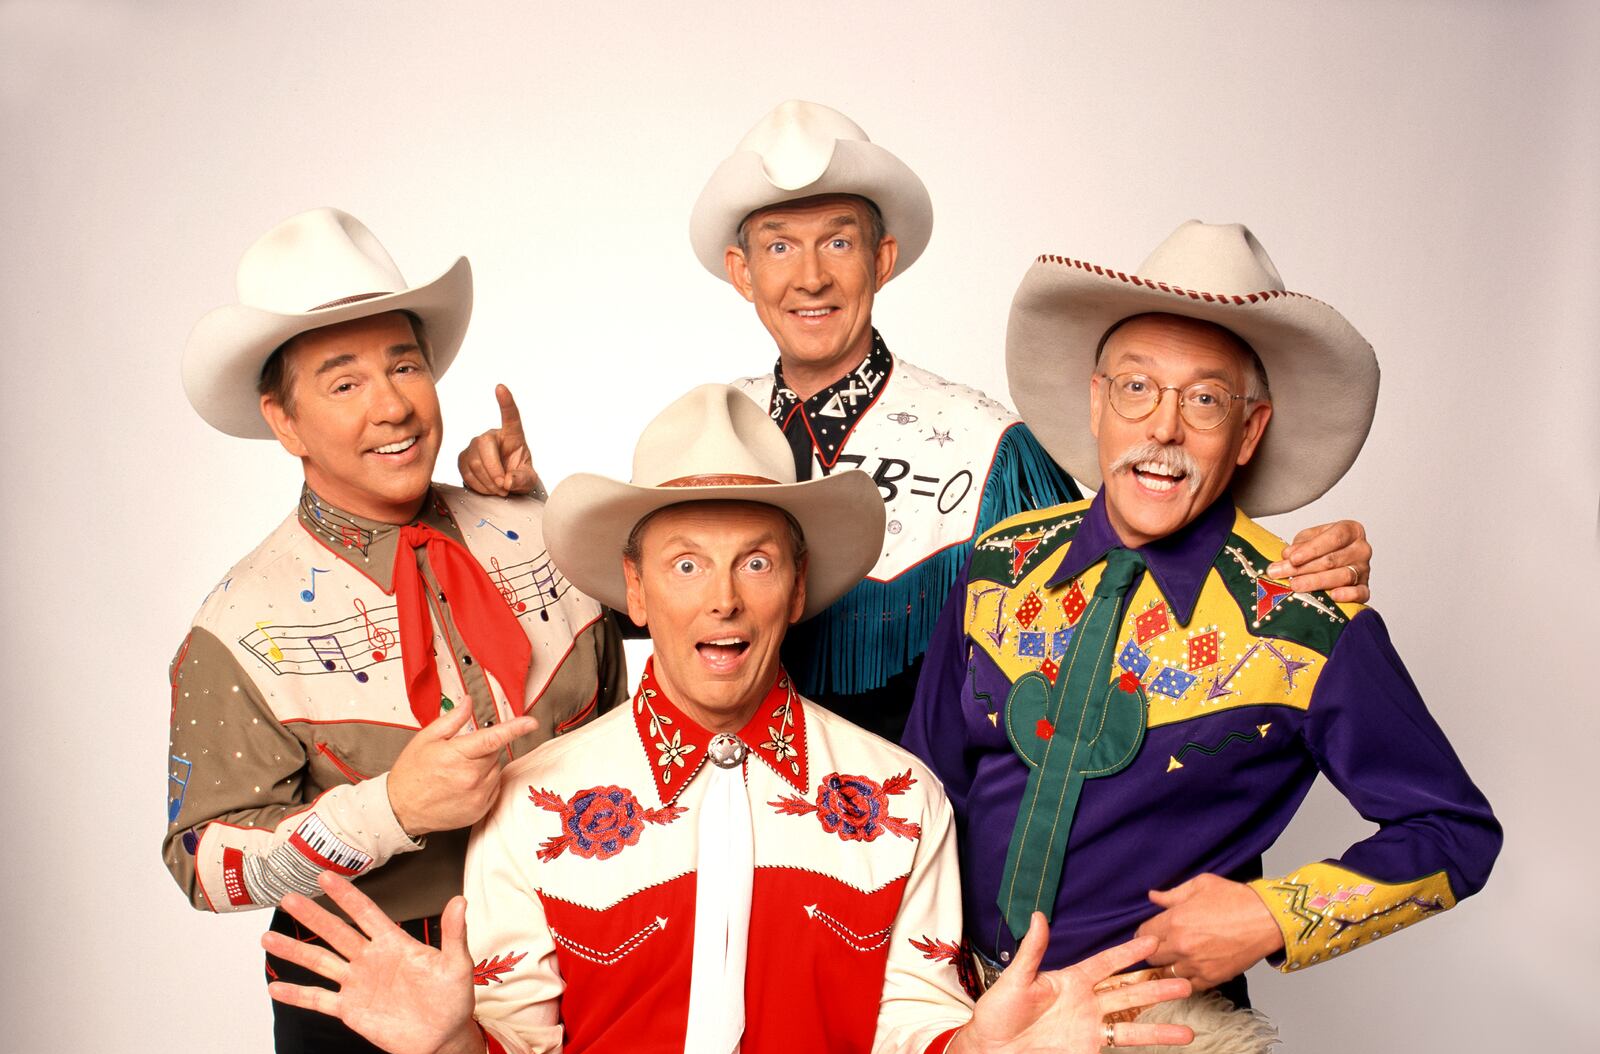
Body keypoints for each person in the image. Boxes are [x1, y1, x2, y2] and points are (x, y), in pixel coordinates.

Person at [262, 384, 1198, 1054]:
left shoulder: (900, 796)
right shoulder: (533, 795)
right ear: (634, 589)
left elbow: (908, 1035)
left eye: (756, 561)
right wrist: (455, 1047)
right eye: (684, 564)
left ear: (797, 589)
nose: (723, 599)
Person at [883, 221, 1503, 1054]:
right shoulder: (992, 570)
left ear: (1249, 429)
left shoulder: (1310, 621)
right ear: (1093, 401)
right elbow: (917, 795)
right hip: (960, 1036)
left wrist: (1272, 912)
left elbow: (1454, 833)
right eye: (1136, 388)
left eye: (1203, 399)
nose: (1162, 427)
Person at [458, 102, 1374, 741]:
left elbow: (1107, 612)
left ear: (883, 259)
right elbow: (642, 613)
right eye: (779, 246)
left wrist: (1286, 564)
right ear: (742, 273)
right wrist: (525, 513)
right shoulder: (707, 433)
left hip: (922, 828)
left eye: (839, 243)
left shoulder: (990, 446)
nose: (809, 277)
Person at [165, 208, 626, 1054]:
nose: (392, 404)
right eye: (343, 379)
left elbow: (692, 630)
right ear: (282, 420)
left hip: (588, 968)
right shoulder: (239, 621)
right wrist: (391, 810)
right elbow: (204, 862)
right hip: (372, 1000)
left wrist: (551, 514)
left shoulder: (539, 532)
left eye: (404, 363)